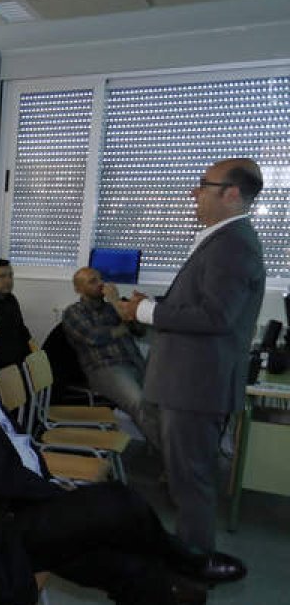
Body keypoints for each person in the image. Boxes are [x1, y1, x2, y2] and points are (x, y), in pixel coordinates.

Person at [0, 293, 207, 605]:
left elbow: (13, 450)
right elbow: (0, 476)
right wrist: (62, 497)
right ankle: (182, 561)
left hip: (5, 507)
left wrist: (58, 495)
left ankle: (169, 583)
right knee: (116, 501)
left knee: (120, 563)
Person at [118, 158, 265, 581]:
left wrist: (147, 310)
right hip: (187, 385)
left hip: (195, 389)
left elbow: (216, 317)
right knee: (186, 482)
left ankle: (191, 575)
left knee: (191, 486)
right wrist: (158, 306)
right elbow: (203, 306)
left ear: (231, 193)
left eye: (203, 184)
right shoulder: (221, 240)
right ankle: (189, 559)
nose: (194, 192)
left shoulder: (233, 244)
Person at [63, 267, 160, 446]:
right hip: (105, 369)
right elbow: (94, 337)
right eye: (92, 281)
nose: (100, 284)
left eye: (101, 279)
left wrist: (116, 303)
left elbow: (140, 331)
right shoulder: (73, 312)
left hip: (134, 362)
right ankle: (173, 462)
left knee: (162, 402)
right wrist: (124, 326)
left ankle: (165, 451)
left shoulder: (113, 307)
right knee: (139, 403)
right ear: (78, 289)